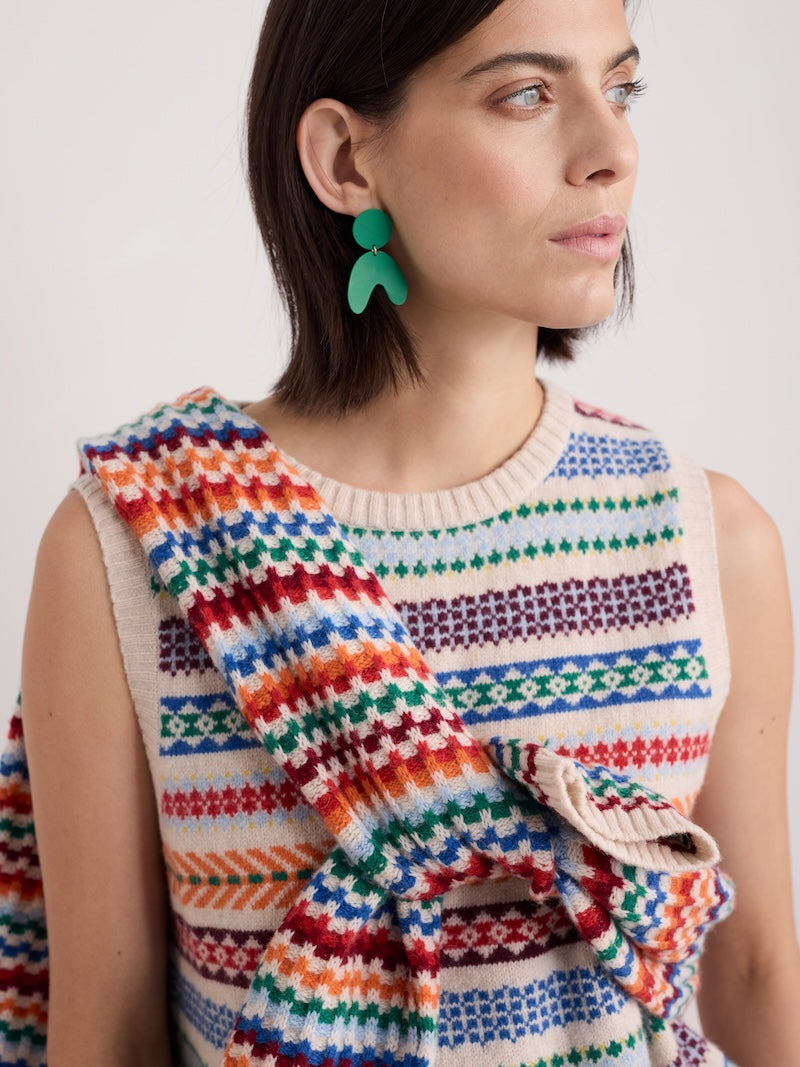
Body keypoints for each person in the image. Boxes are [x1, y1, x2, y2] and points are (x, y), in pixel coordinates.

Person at [17, 0, 800, 1064]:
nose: (611, 150)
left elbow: (749, 976)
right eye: (526, 94)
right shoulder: (139, 542)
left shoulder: (709, 543)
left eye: (620, 89)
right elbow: (106, 1031)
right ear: (346, 160)